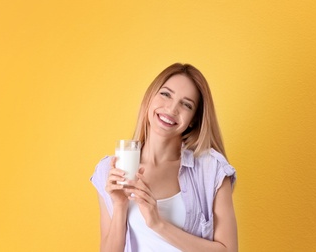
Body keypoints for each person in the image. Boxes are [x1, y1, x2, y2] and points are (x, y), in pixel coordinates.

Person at [90, 63, 238, 252]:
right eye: (166, 94)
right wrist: (120, 205)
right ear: (150, 97)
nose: (172, 108)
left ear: (194, 119)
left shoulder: (211, 170)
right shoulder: (109, 170)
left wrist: (158, 224)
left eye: (186, 104)